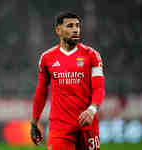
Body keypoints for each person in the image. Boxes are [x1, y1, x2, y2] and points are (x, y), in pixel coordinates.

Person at [30, 12, 105, 150]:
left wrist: (92, 109)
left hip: (87, 124)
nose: (75, 29)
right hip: (60, 127)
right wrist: (34, 122)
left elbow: (99, 89)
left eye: (77, 26)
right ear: (58, 30)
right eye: (70, 26)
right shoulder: (47, 58)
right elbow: (41, 92)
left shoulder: (93, 55)